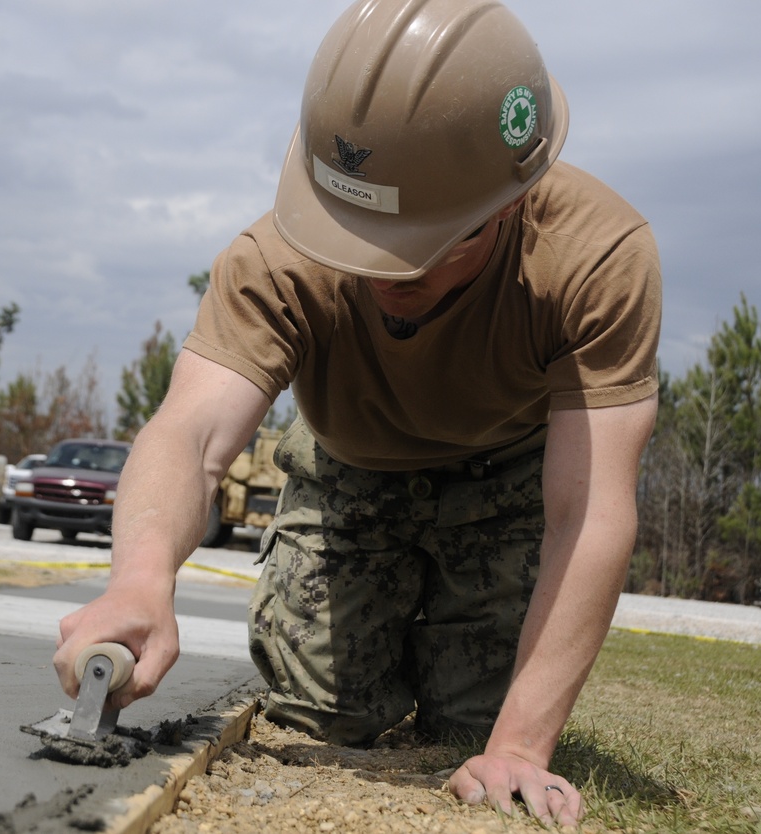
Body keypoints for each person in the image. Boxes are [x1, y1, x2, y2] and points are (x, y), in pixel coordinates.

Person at [54, 0, 661, 825]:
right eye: (352, 231)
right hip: (351, 467)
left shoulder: (599, 258)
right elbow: (190, 434)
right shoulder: (274, 259)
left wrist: (519, 744)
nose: (375, 269)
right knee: (327, 711)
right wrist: (139, 579)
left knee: (476, 732)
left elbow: (586, 510)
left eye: (411, 251)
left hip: (511, 478)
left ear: (508, 205)